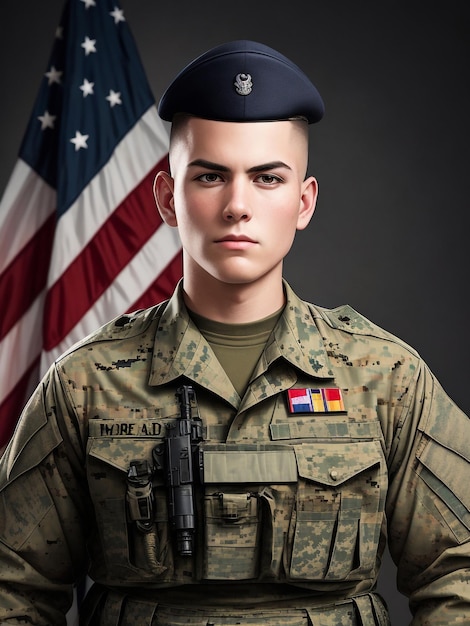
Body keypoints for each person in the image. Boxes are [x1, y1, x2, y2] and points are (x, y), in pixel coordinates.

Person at [0, 39, 469, 626]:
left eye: (267, 179)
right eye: (211, 176)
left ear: (304, 202)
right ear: (168, 198)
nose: (237, 205)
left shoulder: (386, 378)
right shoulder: (85, 383)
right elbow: (13, 587)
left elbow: (459, 570)